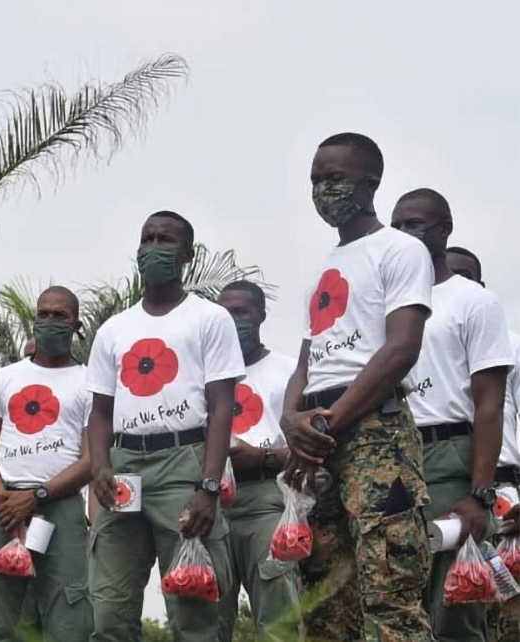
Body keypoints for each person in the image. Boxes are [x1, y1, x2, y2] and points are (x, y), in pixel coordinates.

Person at [280, 133, 435, 641]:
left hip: (374, 433)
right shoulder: (324, 268)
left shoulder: (401, 250)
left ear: (370, 183)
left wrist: (329, 420)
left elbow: (400, 348)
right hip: (318, 439)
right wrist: (291, 419)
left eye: (334, 179)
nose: (322, 190)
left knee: (391, 588)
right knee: (324, 598)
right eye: (315, 181)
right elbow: (307, 361)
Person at [86, 211, 242, 642]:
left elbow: (222, 406)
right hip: (123, 470)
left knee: (193, 609)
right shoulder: (114, 329)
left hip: (182, 463)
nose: (153, 248)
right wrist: (100, 467)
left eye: (166, 240)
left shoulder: (209, 319)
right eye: (147, 239)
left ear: (187, 255)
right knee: (110, 612)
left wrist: (208, 486)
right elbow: (99, 412)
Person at [390, 190, 512, 641]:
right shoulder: (384, 302)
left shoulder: (472, 303)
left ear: (444, 230)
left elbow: (489, 404)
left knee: (454, 606)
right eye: (397, 224)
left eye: (415, 224)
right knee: (398, 604)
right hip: (390, 459)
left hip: (448, 457)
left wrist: (480, 493)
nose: (404, 234)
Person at [0, 286, 94, 642]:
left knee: (68, 615)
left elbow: (91, 459)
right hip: (4, 509)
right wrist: (2, 497)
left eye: (60, 316)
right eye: (44, 314)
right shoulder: (4, 378)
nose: (50, 321)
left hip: (61, 509)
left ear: (76, 325)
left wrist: (37, 495)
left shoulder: (89, 383)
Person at [215, 280, 302, 639]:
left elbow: (312, 448)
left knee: (276, 616)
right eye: (225, 313)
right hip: (210, 507)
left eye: (242, 312)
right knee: (206, 617)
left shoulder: (289, 373)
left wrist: (263, 457)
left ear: (261, 315)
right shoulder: (202, 376)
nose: (233, 321)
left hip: (266, 501)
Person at [445, 246, 520, 642]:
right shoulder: (427, 336)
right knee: (464, 596)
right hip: (456, 479)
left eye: (466, 275)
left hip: (507, 491)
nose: (457, 282)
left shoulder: (510, 344)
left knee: (509, 614)